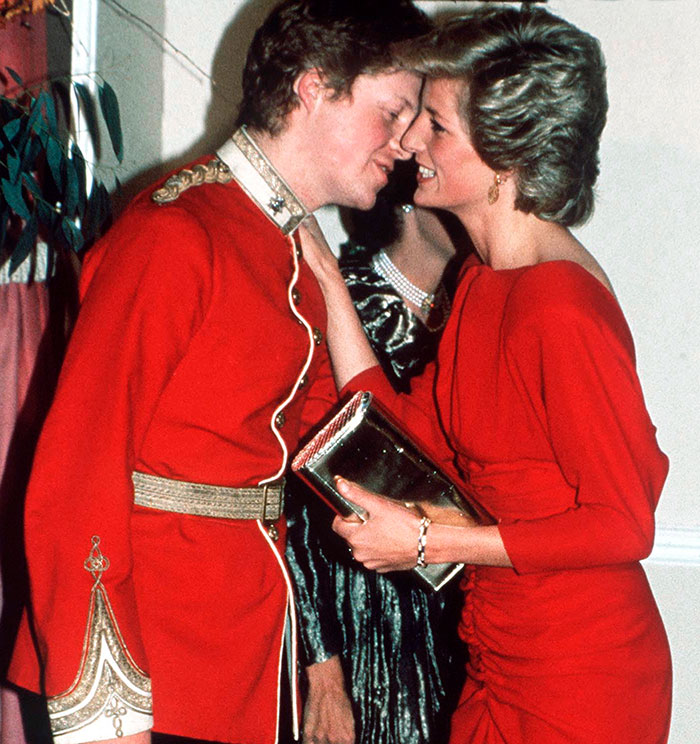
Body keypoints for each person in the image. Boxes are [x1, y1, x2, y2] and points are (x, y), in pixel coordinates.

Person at [6, 2, 430, 743]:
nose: (405, 142)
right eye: (391, 111)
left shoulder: (285, 246)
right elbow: (75, 485)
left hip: (247, 663)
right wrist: (110, 721)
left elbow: (362, 453)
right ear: (312, 88)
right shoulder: (175, 234)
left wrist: (332, 293)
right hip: (162, 677)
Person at [299, 6, 672, 744]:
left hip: (582, 678)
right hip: (499, 656)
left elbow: (624, 524)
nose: (408, 141)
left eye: (434, 125)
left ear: (507, 153)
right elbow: (415, 434)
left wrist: (430, 545)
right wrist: (325, 278)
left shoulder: (557, 304)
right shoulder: (479, 283)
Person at [286, 161, 469, 744]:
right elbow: (286, 502)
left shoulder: (480, 308)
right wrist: (323, 675)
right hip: (355, 623)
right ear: (408, 197)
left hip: (459, 626)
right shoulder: (333, 300)